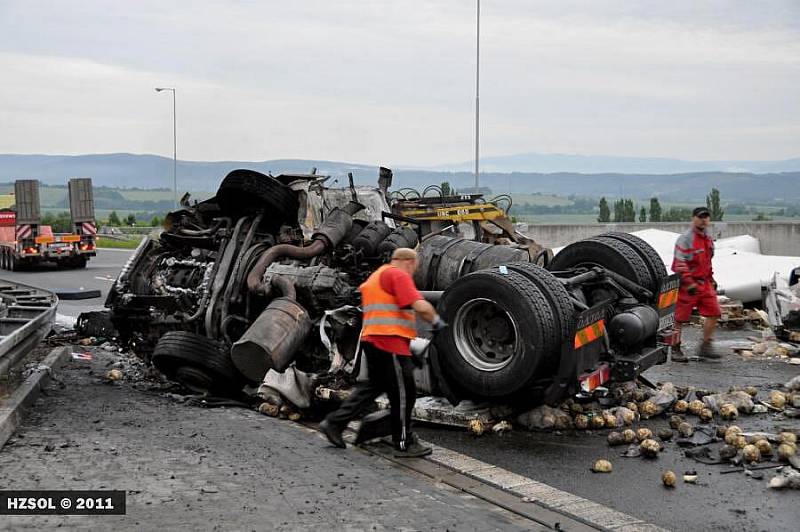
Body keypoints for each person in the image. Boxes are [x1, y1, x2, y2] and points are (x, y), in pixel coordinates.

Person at [319, 247, 446, 457]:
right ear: (408, 262)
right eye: (415, 267)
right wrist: (438, 322)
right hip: (390, 343)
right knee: (405, 393)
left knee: (371, 388)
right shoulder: (398, 274)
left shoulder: (377, 276)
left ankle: (334, 423)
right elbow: (420, 305)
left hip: (372, 340)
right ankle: (404, 442)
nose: (414, 271)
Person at [670, 206, 721, 362]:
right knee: (679, 318)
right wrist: (689, 283)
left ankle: (705, 346)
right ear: (693, 218)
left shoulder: (708, 239)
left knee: (714, 312)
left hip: (704, 283)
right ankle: (675, 349)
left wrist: (711, 279)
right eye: (700, 217)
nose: (703, 219)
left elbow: (707, 262)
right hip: (687, 285)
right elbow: (679, 263)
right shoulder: (685, 239)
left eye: (706, 217)